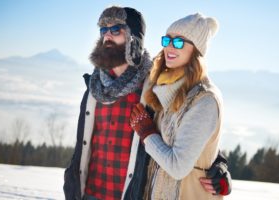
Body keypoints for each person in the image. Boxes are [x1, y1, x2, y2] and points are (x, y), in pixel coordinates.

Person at [64, 6, 231, 200]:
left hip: (130, 194)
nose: (107, 36)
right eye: (103, 30)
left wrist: (219, 166)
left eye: (116, 29)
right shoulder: (94, 87)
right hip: (89, 193)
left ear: (133, 39)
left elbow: (190, 132)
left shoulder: (155, 86)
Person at [130, 13, 228, 199]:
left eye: (179, 42)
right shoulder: (163, 89)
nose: (169, 46)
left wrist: (147, 133)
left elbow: (177, 167)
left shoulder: (204, 99)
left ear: (197, 51)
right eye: (167, 40)